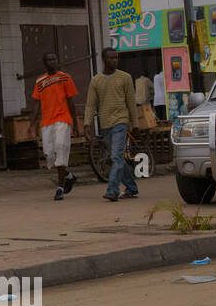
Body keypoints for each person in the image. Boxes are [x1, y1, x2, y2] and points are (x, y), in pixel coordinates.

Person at [85, 47, 139, 202]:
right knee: (117, 158)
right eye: (111, 58)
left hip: (121, 122)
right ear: (104, 59)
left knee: (116, 156)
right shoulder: (96, 80)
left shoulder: (125, 78)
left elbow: (131, 103)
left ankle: (112, 190)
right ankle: (132, 188)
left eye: (116, 58)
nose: (115, 60)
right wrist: (87, 125)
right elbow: (90, 105)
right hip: (105, 124)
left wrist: (135, 124)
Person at [28, 52, 79, 200]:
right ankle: (69, 176)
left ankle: (60, 188)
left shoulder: (65, 77)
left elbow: (71, 101)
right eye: (48, 60)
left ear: (57, 61)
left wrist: (75, 124)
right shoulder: (40, 81)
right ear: (45, 63)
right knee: (50, 155)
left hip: (63, 119)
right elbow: (36, 103)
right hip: (47, 122)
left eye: (54, 59)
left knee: (60, 147)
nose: (52, 62)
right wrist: (32, 124)